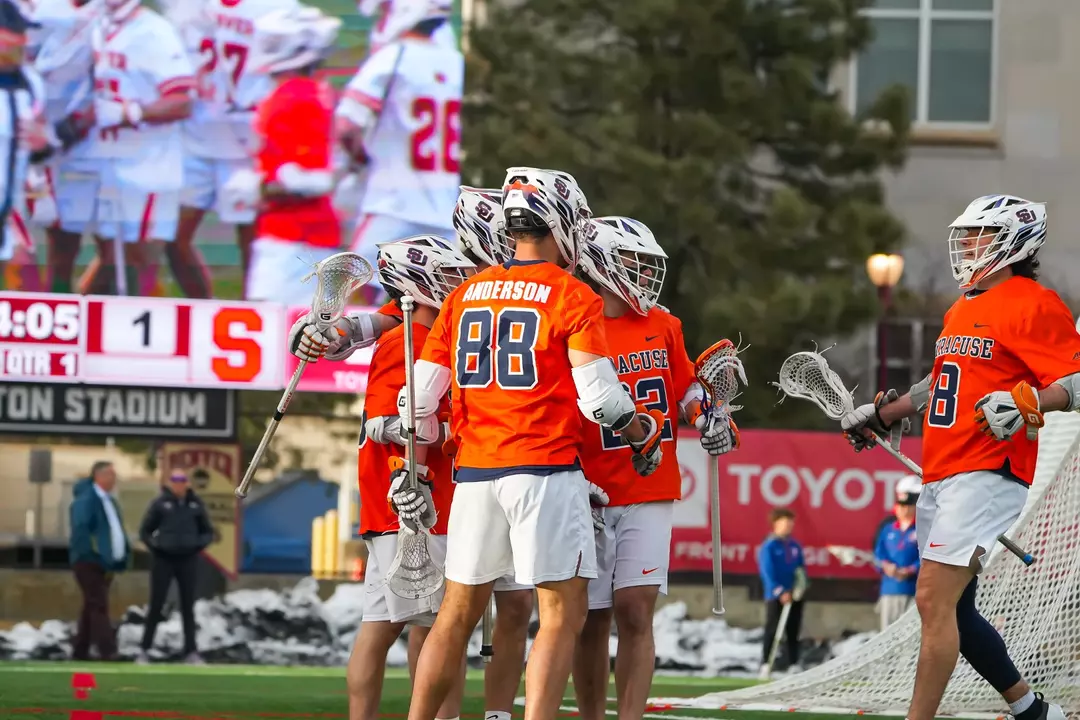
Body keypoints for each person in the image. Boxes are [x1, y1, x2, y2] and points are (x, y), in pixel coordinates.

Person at [393, 167, 664, 720]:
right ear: (559, 219)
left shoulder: (464, 295)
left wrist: (419, 458)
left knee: (455, 615)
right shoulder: (572, 295)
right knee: (562, 613)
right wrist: (642, 432)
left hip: (474, 472)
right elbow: (601, 402)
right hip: (544, 469)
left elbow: (417, 403)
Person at [841, 195, 1078, 720]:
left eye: (978, 236)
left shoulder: (1033, 301)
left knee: (930, 598)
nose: (967, 246)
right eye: (966, 235)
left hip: (989, 469)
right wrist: (886, 413)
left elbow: (1074, 378)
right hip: (943, 468)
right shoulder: (963, 305)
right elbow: (941, 382)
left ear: (1013, 243)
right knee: (956, 610)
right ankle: (1031, 711)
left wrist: (1033, 401)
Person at [295, 235, 473, 720]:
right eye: (451, 276)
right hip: (414, 498)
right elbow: (390, 423)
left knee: (388, 624)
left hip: (402, 500)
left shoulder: (425, 332)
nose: (461, 284)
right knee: (436, 625)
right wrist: (465, 431)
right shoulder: (407, 341)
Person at [572, 216, 740, 720]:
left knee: (635, 608)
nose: (643, 275)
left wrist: (707, 416)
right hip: (589, 484)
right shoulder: (575, 320)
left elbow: (686, 386)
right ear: (601, 265)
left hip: (650, 482)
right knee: (591, 618)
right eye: (633, 264)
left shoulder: (664, 324)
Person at [336, 0, 463, 301]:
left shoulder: (395, 56)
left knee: (351, 288)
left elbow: (347, 124)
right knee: (442, 304)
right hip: (444, 205)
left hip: (392, 201)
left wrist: (358, 158)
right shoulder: (454, 61)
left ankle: (361, 350)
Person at [224, 4, 342, 305]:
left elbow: (313, 181)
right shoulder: (312, 93)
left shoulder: (291, 98)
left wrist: (258, 188)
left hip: (293, 238)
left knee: (277, 334)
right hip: (304, 236)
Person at [81, 0, 194, 296]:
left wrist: (127, 113)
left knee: (139, 260)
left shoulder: (155, 32)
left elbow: (182, 101)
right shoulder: (93, 24)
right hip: (102, 161)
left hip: (146, 167)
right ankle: (78, 325)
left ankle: (136, 333)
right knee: (110, 258)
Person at [22, 0, 99, 294]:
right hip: (42, 145)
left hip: (93, 141)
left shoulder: (110, 18)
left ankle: (79, 317)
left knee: (125, 246)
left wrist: (68, 129)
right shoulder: (43, 13)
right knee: (58, 246)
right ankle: (52, 323)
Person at [136, 470, 214, 665]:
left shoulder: (195, 505)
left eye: (182, 480)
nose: (179, 484)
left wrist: (196, 544)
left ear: (187, 483)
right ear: (170, 483)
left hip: (187, 560)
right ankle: (145, 649)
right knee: (156, 603)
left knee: (188, 605)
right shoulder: (161, 504)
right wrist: (157, 546)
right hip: (164, 559)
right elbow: (145, 530)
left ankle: (190, 650)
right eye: (175, 480)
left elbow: (207, 531)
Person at [0, 0, 49, 284]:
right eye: (12, 32)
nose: (22, 41)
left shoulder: (30, 83)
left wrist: (42, 145)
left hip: (7, 209)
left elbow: (36, 146)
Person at [68, 461, 130, 661]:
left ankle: (81, 649)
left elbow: (114, 531)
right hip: (90, 561)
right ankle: (107, 650)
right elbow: (84, 531)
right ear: (99, 476)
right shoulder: (87, 500)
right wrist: (98, 556)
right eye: (110, 474)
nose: (113, 479)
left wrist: (119, 556)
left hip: (106, 562)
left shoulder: (109, 501)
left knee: (91, 605)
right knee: (98, 604)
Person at [757, 507, 805, 678]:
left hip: (794, 595)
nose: (789, 526)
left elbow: (800, 569)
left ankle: (793, 663)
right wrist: (780, 591)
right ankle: (765, 662)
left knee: (793, 629)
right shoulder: (769, 546)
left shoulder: (794, 546)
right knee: (772, 629)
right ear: (776, 524)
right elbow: (767, 572)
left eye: (791, 522)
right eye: (785, 522)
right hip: (775, 596)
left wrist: (799, 587)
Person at [873, 474, 920, 631]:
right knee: (888, 632)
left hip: (914, 589)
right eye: (901, 504)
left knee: (909, 632)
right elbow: (878, 554)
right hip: (890, 588)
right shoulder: (888, 527)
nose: (904, 508)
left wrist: (911, 569)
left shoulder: (923, 528)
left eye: (909, 504)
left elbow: (929, 555)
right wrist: (885, 566)